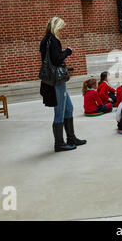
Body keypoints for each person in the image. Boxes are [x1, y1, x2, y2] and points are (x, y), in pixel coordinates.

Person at [39, 17, 86, 152]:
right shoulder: (53, 40)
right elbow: (57, 58)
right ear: (55, 27)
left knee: (69, 108)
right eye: (60, 27)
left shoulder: (45, 40)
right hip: (57, 81)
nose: (61, 30)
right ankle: (59, 143)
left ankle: (71, 138)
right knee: (59, 111)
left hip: (53, 80)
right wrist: (68, 51)